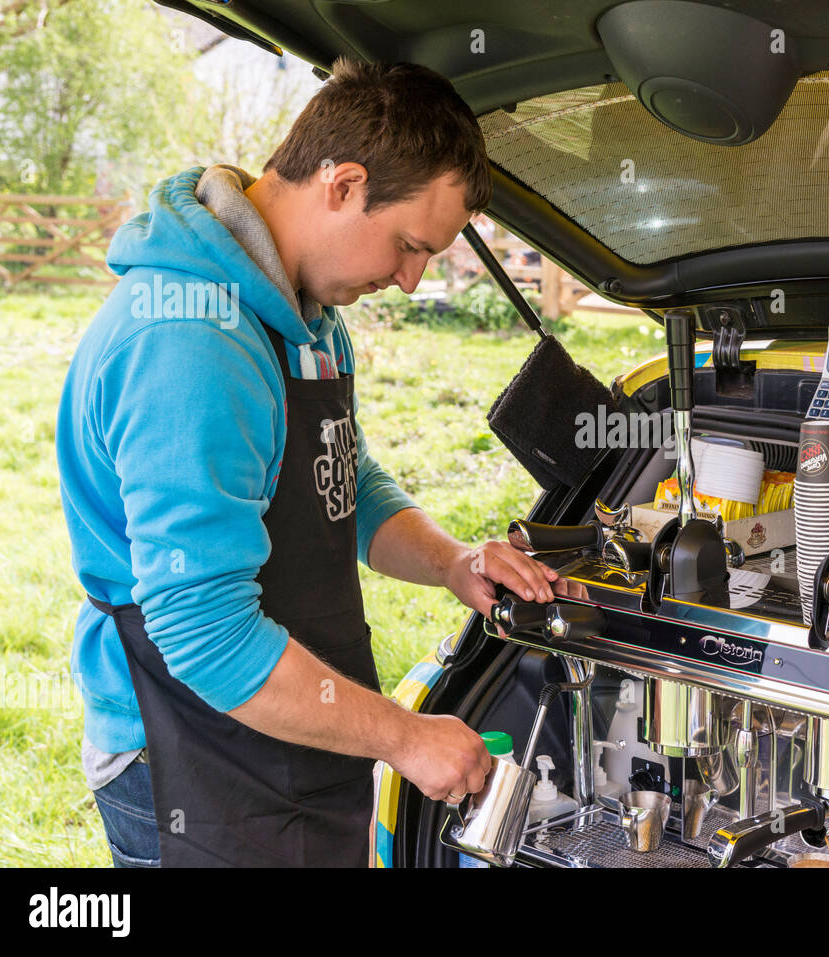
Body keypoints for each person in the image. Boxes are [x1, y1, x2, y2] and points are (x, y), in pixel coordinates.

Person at [55, 59, 559, 867]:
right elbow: (206, 634)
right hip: (187, 754)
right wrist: (404, 735)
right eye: (407, 245)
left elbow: (342, 479)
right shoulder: (192, 346)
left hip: (290, 721)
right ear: (343, 183)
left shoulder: (306, 313)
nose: (409, 278)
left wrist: (455, 562)